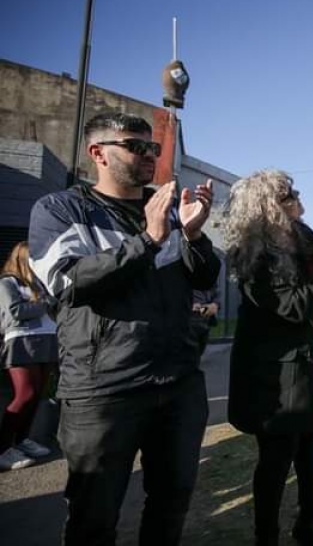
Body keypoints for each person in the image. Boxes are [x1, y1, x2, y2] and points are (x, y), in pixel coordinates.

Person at [28, 112, 221, 546]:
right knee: (93, 520)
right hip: (104, 391)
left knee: (171, 504)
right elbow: (66, 281)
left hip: (176, 384)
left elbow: (204, 276)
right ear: (98, 153)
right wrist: (147, 241)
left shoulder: (164, 208)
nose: (148, 154)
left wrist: (191, 235)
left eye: (152, 147)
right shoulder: (61, 209)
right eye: (135, 146)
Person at [224, 170, 313, 546]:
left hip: (307, 365)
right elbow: (296, 305)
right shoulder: (254, 255)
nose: (298, 198)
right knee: (276, 460)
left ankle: (309, 524)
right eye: (288, 195)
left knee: (310, 452)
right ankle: (266, 535)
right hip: (274, 379)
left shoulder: (299, 237)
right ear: (268, 207)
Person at [0, 242, 58, 471]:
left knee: (37, 395)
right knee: (25, 394)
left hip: (46, 342)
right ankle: (3, 448)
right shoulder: (7, 282)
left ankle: (21, 441)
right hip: (22, 342)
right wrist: (44, 304)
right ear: (22, 259)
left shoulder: (39, 286)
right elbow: (14, 312)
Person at [190, 281, 220, 360]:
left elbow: (215, 291)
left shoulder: (205, 272)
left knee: (196, 357)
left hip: (203, 318)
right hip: (188, 318)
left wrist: (215, 304)